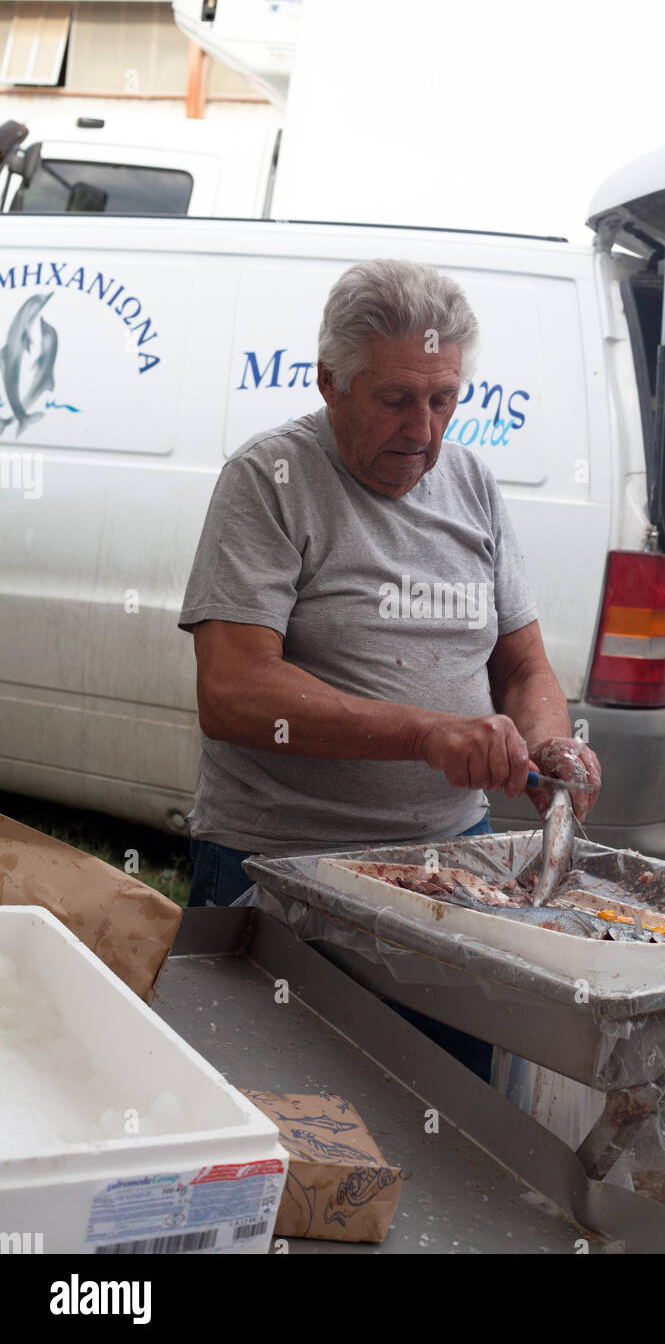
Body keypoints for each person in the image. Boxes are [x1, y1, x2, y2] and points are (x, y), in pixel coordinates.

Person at [178, 258, 601, 1075]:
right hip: (284, 869)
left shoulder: (472, 483)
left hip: (453, 868)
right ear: (331, 382)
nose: (425, 430)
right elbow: (233, 692)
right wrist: (427, 733)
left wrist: (553, 746)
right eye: (397, 399)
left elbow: (522, 665)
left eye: (444, 399)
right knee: (286, 1127)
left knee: (457, 1124)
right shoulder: (269, 481)